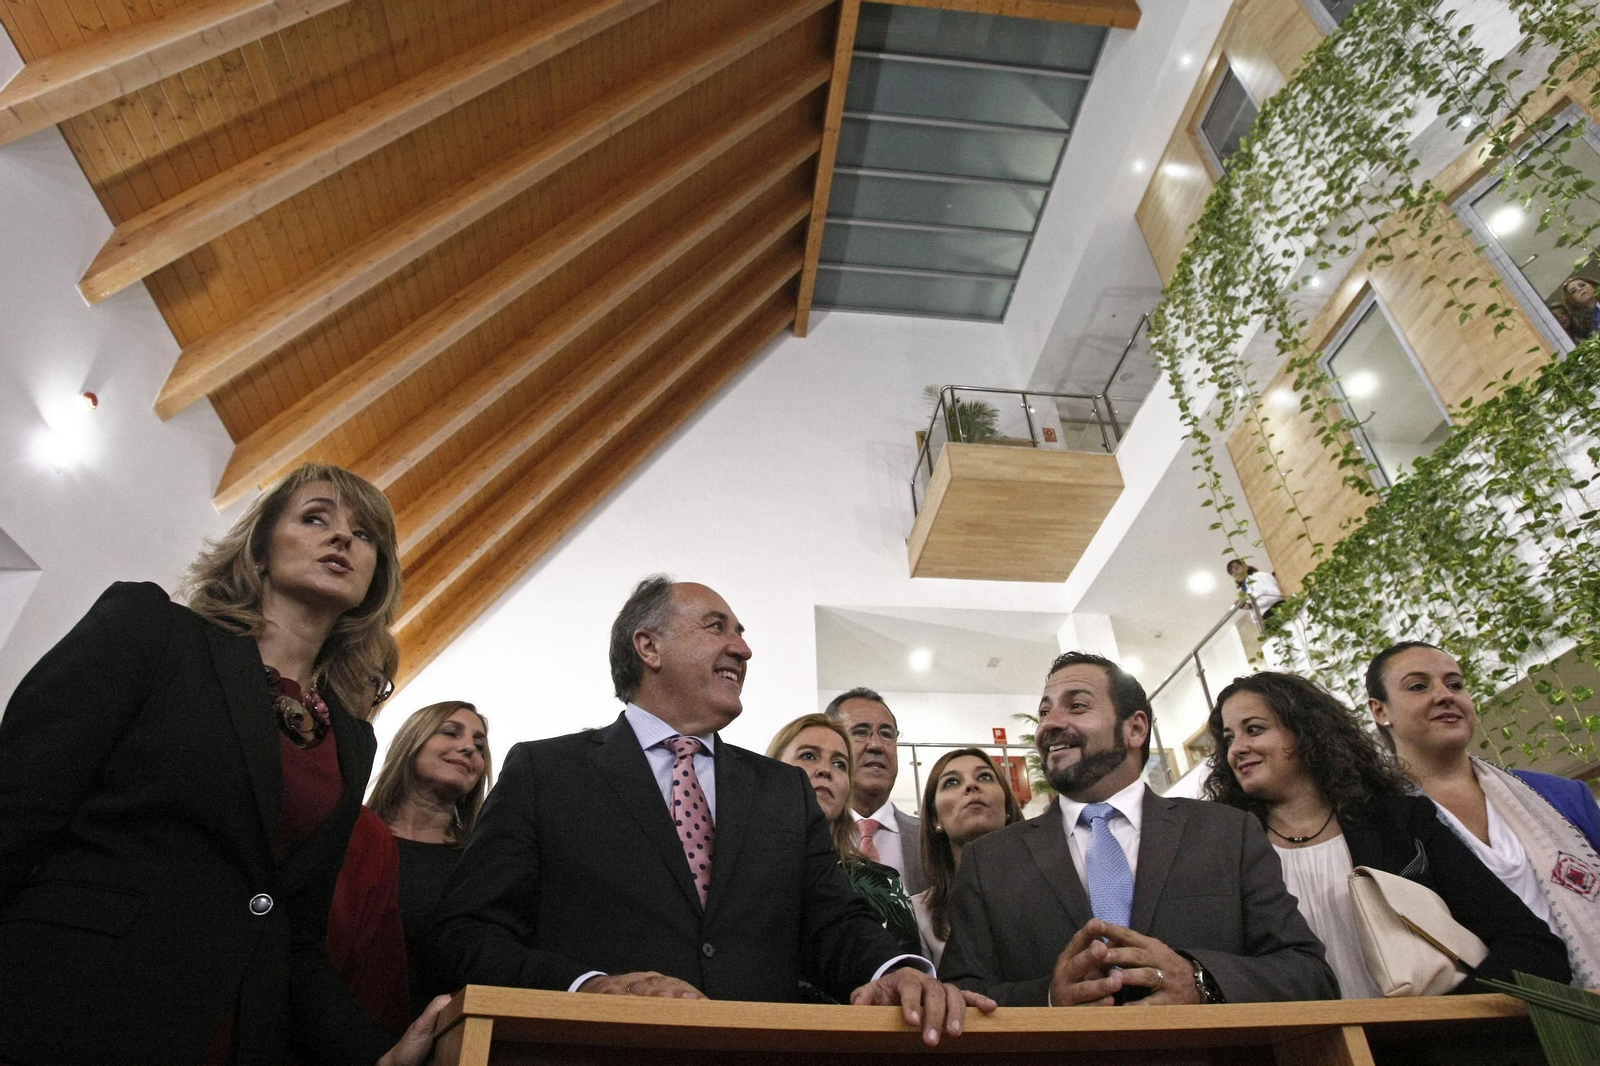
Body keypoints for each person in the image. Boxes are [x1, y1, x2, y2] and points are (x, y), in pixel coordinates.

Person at [0, 462, 444, 1066]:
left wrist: (380, 1054)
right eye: (316, 518)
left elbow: (292, 937)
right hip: (68, 1006)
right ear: (259, 550)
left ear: (376, 577)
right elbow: (16, 809)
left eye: (365, 534)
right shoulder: (153, 630)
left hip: (232, 1038)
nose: (342, 537)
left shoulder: (350, 740)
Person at [427, 576, 993, 1046]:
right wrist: (589, 986)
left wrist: (895, 972)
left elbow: (831, 923)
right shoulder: (546, 773)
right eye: (716, 627)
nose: (743, 649)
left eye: (741, 634)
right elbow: (466, 934)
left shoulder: (781, 790)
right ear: (648, 647)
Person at [940, 651, 1335, 1007]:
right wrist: (1047, 999)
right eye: (1045, 712)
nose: (1049, 725)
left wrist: (1201, 982)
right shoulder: (989, 861)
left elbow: (1308, 975)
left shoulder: (1228, 833)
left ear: (1136, 729)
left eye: (1076, 706)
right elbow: (958, 994)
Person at [1205, 671, 1569, 997]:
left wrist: (1446, 1021)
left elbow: (1531, 945)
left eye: (1254, 729)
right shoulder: (1221, 851)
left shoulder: (1401, 824)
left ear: (1306, 732)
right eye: (1228, 738)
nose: (1237, 749)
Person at [1367, 641, 1600, 987]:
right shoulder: (1377, 822)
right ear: (1380, 710)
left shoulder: (1562, 796)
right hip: (1489, 1015)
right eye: (1419, 686)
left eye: (1455, 684)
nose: (1445, 695)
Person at [333, 701, 493, 1017]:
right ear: (412, 741)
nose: (468, 749)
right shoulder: (346, 834)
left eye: (479, 745)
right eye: (450, 732)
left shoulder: (480, 864)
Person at [766, 714, 920, 964]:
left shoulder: (883, 883)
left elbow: (905, 974)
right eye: (808, 756)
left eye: (840, 764)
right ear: (772, 768)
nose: (825, 770)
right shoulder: (735, 867)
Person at [912, 748, 1024, 967]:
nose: (972, 786)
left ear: (1008, 807)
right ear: (936, 818)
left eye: (984, 777)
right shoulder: (919, 913)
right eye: (952, 782)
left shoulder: (1051, 887)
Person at [825, 688, 926, 894]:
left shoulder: (929, 839)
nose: (876, 745)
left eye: (887, 734)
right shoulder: (810, 837)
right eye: (861, 732)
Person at [1561, 275, 1597, 340]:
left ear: (1592, 286)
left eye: (1582, 285)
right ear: (1572, 300)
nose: (1580, 289)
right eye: (1573, 291)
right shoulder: (1582, 325)